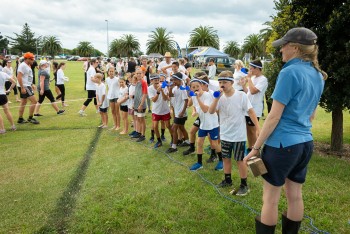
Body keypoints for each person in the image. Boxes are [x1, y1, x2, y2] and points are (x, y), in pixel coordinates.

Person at [243, 27, 326, 233]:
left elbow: (273, 116)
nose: (281, 51)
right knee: (295, 195)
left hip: (282, 144)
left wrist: (255, 147)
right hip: (305, 143)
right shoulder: (318, 75)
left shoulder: (289, 71)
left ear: (295, 48)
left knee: (270, 199)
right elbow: (311, 115)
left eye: (284, 46)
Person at [208, 70, 260, 196]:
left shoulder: (241, 95)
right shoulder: (219, 97)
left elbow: (251, 112)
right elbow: (211, 111)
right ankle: (227, 179)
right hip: (225, 134)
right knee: (226, 158)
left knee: (240, 160)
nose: (222, 85)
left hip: (238, 135)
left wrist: (258, 128)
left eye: (225, 82)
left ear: (231, 82)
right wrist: (216, 99)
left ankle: (244, 184)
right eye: (220, 82)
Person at [188, 78, 222, 171]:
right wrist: (194, 111)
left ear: (201, 86)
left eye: (198, 86)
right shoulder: (194, 97)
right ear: (191, 88)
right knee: (199, 142)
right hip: (203, 123)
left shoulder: (207, 95)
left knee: (215, 144)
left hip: (212, 123)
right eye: (193, 87)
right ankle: (199, 163)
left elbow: (205, 109)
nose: (196, 88)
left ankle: (221, 160)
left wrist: (198, 98)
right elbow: (194, 106)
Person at [242, 60, 268, 153]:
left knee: (253, 130)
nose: (250, 70)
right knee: (248, 129)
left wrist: (248, 79)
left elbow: (253, 91)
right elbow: (248, 92)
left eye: (251, 68)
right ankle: (250, 148)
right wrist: (243, 85)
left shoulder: (263, 79)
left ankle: (255, 150)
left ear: (257, 68)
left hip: (255, 109)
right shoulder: (253, 78)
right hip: (248, 108)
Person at [166, 72, 189, 153]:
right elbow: (171, 95)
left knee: (174, 128)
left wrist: (182, 112)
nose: (173, 81)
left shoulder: (183, 89)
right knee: (181, 127)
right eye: (173, 80)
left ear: (180, 80)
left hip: (181, 113)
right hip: (177, 112)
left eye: (175, 80)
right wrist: (170, 88)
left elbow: (186, 101)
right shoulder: (175, 88)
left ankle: (174, 146)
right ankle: (187, 141)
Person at [148, 74, 172, 148]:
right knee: (155, 127)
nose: (157, 81)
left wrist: (162, 91)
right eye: (155, 80)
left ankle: (173, 139)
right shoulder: (150, 88)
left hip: (165, 110)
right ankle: (159, 141)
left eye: (158, 80)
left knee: (168, 126)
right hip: (156, 111)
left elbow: (166, 98)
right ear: (152, 81)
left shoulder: (163, 86)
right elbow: (154, 100)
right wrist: (158, 93)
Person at [17, 52, 40, 124]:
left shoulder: (27, 65)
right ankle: (30, 118)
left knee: (23, 102)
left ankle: (20, 119)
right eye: (31, 59)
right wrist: (22, 87)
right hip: (25, 86)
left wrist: (31, 84)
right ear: (26, 59)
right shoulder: (23, 66)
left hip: (27, 85)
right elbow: (19, 76)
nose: (33, 60)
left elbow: (27, 77)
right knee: (34, 101)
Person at [131, 68, 148, 142]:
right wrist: (134, 104)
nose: (138, 75)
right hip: (136, 104)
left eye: (140, 73)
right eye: (137, 73)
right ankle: (139, 133)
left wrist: (141, 105)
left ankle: (143, 135)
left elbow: (144, 94)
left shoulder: (143, 82)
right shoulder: (137, 82)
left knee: (142, 120)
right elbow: (137, 94)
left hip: (141, 104)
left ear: (143, 74)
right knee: (138, 119)